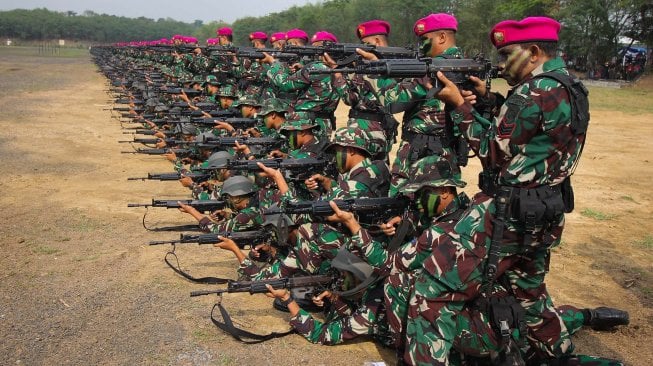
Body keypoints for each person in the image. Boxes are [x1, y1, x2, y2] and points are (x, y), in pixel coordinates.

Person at [391, 16, 601, 365]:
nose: (501, 64)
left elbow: (493, 152)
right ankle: (559, 357)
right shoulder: (569, 86)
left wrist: (460, 105)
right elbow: (534, 140)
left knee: (433, 290)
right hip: (545, 212)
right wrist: (489, 101)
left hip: (506, 216)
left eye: (507, 55)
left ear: (533, 53)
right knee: (529, 295)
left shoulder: (533, 92)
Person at [358, 13, 466, 197]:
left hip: (422, 152)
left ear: (442, 37)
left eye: (425, 40)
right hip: (443, 150)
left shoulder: (435, 68)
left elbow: (392, 100)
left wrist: (372, 68)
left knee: (403, 209)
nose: (421, 46)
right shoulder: (463, 64)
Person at [324, 19, 399, 161]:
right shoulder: (370, 65)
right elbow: (350, 98)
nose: (361, 49)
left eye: (365, 44)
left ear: (377, 41)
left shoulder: (394, 66)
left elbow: (350, 98)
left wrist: (338, 73)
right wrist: (337, 70)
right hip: (368, 128)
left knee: (367, 175)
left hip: (370, 130)